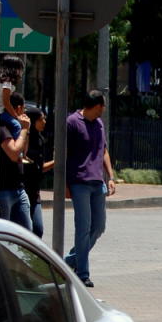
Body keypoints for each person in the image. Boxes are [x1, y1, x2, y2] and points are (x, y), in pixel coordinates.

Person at [64, 90, 116, 288]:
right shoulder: (72, 122)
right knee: (83, 228)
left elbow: (103, 151)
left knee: (99, 226)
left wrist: (110, 177)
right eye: (102, 106)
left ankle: (68, 261)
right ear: (96, 106)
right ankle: (82, 274)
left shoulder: (99, 124)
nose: (104, 109)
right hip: (79, 182)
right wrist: (65, 184)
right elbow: (64, 153)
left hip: (97, 182)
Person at [0, 92, 32, 230]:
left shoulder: (16, 129)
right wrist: (24, 129)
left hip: (19, 189)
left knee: (27, 234)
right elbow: (13, 153)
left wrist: (26, 130)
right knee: (3, 235)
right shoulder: (2, 127)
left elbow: (24, 152)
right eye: (23, 109)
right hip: (3, 191)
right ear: (18, 109)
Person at [24, 107, 54, 238]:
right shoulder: (24, 139)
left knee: (38, 229)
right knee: (25, 231)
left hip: (34, 194)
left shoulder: (40, 140)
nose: (44, 121)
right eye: (41, 119)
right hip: (23, 192)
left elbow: (40, 167)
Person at [0, 55, 25, 136]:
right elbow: (6, 102)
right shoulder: (7, 83)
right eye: (20, 69)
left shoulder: (1, 80)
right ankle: (15, 146)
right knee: (17, 125)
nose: (21, 72)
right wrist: (16, 116)